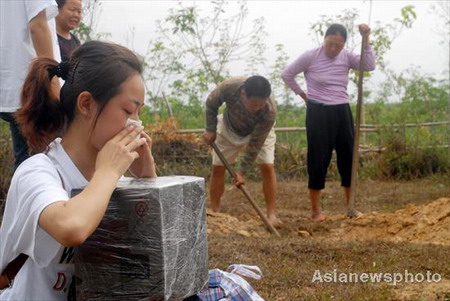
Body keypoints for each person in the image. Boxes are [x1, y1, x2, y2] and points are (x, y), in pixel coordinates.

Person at [0, 41, 157, 300]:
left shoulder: (109, 177)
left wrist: (146, 181)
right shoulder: (38, 172)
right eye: (128, 110)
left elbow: (149, 249)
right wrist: (108, 172)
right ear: (86, 104)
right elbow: (71, 227)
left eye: (139, 112)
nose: (136, 124)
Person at [281, 23, 375, 221]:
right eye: (330, 44)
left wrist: (366, 39)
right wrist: (302, 94)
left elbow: (368, 66)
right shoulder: (310, 56)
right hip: (318, 112)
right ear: (324, 40)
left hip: (342, 110)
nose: (333, 49)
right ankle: (316, 212)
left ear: (344, 44)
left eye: (338, 45)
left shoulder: (347, 55)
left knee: (348, 157)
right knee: (318, 159)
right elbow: (287, 74)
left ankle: (350, 207)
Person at [203, 76, 280, 226]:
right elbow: (211, 104)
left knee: (267, 166)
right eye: (254, 104)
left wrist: (241, 172)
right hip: (228, 127)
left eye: (261, 104)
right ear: (243, 94)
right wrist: (210, 129)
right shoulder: (229, 87)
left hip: (258, 132)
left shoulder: (269, 111)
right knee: (218, 168)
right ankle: (215, 211)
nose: (258, 107)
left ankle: (271, 214)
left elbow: (256, 144)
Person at [0, 0, 61, 170]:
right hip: (34, 84)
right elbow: (38, 26)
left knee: (25, 159)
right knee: (44, 162)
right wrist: (52, 76)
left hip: (12, 85)